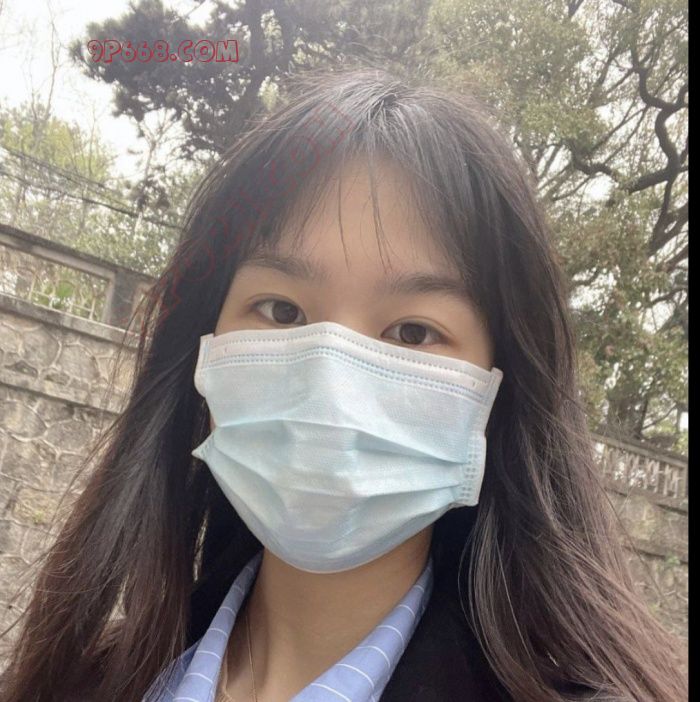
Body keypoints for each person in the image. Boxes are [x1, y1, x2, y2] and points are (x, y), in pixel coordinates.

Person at [0, 68, 686, 702]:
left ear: (498, 391)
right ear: (203, 354)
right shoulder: (75, 681)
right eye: (281, 311)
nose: (330, 382)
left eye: (412, 331)